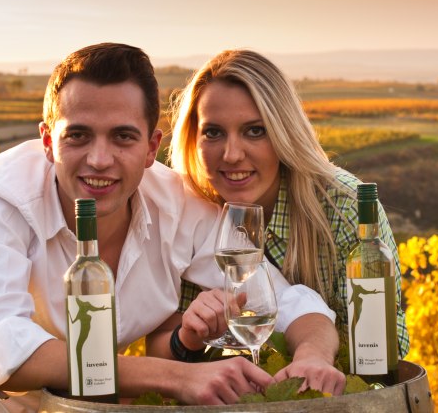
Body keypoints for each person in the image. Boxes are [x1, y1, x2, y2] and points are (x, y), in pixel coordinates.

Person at [0, 43, 344, 413]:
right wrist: (174, 377)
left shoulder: (177, 206)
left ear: (151, 147)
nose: (99, 160)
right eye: (78, 136)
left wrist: (313, 355)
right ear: (47, 141)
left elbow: (285, 300)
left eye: (122, 137)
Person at [168, 49, 410, 360]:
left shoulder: (344, 207)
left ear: (285, 132)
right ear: (192, 138)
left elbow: (388, 348)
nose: (231, 154)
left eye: (255, 131)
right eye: (213, 132)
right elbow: (171, 352)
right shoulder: (192, 210)